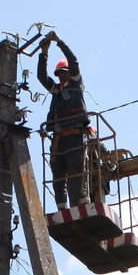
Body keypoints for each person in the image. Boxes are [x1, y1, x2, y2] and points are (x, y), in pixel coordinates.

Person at [36, 34, 93, 209]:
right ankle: (61, 206)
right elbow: (41, 77)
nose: (61, 76)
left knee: (77, 172)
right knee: (58, 174)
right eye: (59, 73)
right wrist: (43, 53)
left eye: (64, 72)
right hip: (59, 140)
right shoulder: (56, 90)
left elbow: (73, 60)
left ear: (69, 73)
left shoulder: (76, 84)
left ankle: (83, 204)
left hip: (75, 137)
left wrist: (58, 42)